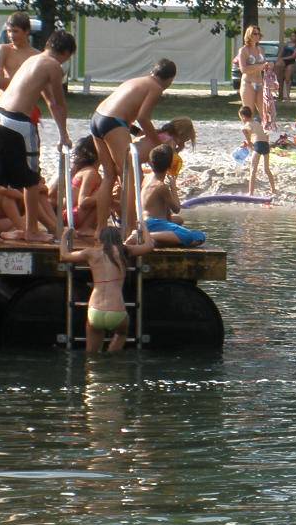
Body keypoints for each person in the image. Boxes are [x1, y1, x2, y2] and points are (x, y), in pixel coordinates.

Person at [0, 28, 75, 244]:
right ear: (66, 53)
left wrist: (62, 132)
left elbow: (48, 100)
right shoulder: (53, 66)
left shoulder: (33, 60)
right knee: (32, 177)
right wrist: (64, 135)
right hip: (18, 122)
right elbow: (58, 104)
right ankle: (31, 230)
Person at [89, 58, 175, 235]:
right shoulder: (156, 88)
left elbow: (126, 112)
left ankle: (100, 229)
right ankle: (129, 229)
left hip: (97, 118)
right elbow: (143, 117)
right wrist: (158, 143)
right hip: (113, 122)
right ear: (170, 79)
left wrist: (137, 132)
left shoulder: (136, 81)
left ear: (153, 71)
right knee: (130, 174)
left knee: (109, 175)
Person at [58, 222, 155, 353]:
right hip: (116, 310)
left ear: (101, 239)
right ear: (118, 239)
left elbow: (64, 256)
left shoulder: (91, 253)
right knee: (121, 334)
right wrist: (144, 228)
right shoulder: (124, 250)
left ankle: (93, 365)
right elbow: (149, 246)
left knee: (91, 354)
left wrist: (65, 236)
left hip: (95, 310)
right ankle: (112, 357)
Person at [141, 143, 206, 247]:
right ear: (170, 165)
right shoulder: (161, 186)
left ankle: (158, 239)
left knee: (179, 220)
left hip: (145, 221)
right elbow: (176, 208)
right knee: (197, 236)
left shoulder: (147, 178)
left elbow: (166, 211)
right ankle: (147, 236)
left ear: (151, 162)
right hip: (154, 224)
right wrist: (173, 187)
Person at [0, 12, 38, 93]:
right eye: (9, 31)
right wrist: (27, 84)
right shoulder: (3, 50)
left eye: (15, 31)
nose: (11, 35)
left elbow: (39, 85)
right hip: (6, 100)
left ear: (26, 31)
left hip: (26, 100)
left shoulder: (36, 55)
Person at [240, 104, 273, 194]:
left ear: (243, 116)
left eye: (241, 117)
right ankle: (273, 189)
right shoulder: (257, 123)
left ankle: (250, 193)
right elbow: (259, 136)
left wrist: (248, 143)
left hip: (258, 145)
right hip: (266, 145)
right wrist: (248, 143)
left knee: (253, 170)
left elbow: (245, 132)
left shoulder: (247, 124)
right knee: (267, 169)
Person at [236, 25, 263, 115]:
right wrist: (259, 67)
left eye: (258, 34)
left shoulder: (260, 49)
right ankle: (248, 124)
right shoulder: (243, 50)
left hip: (260, 83)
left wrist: (269, 66)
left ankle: (263, 125)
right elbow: (243, 69)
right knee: (249, 112)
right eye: (254, 34)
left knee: (265, 113)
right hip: (248, 83)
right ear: (249, 35)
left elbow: (264, 65)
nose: (257, 36)